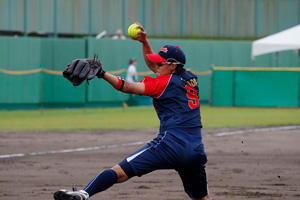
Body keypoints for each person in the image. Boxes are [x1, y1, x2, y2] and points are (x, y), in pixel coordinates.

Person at [54, 24, 211, 200]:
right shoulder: (189, 79)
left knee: (119, 172)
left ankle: (84, 194)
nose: (156, 64)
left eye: (161, 61)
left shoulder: (161, 84)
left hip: (170, 145)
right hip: (195, 149)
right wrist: (144, 42)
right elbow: (155, 66)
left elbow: (127, 87)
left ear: (173, 66)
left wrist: (102, 73)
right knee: (202, 198)